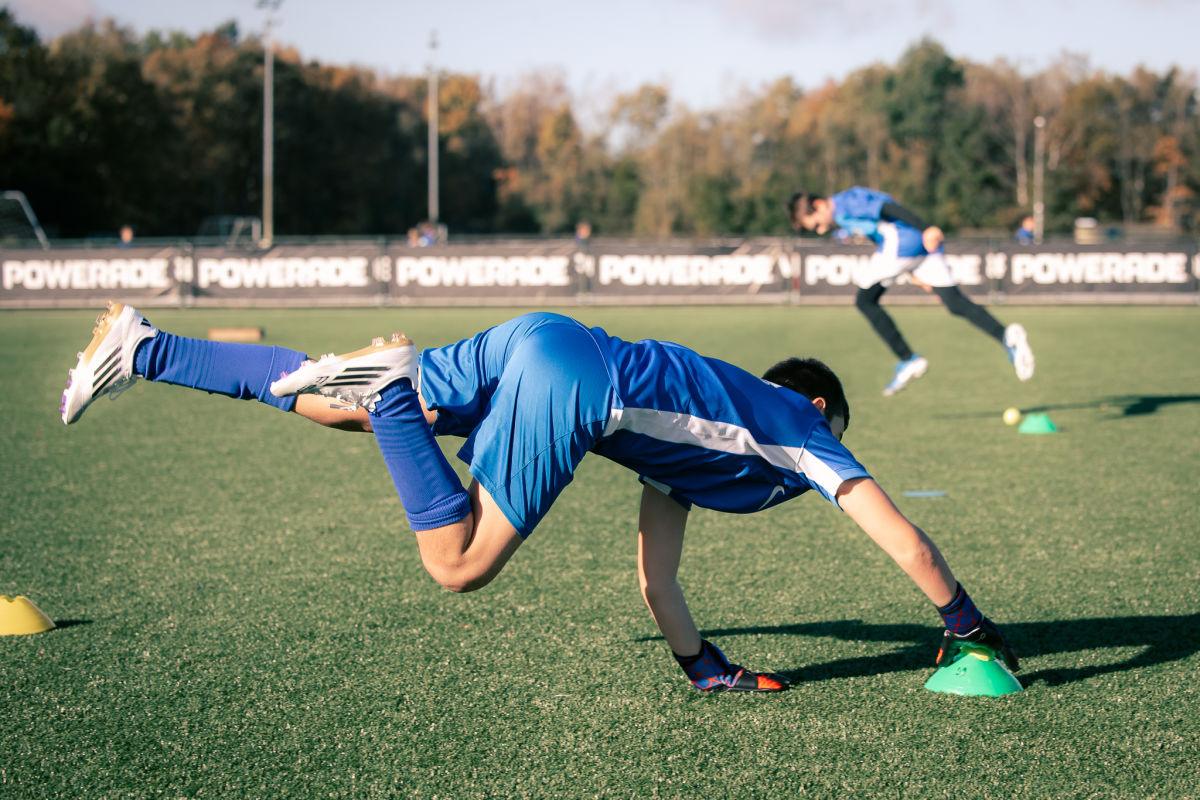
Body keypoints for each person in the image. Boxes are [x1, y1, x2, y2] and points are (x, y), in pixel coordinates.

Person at [61, 302, 1019, 692]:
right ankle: (389, 389)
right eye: (838, 428)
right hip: (580, 385)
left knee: (332, 407)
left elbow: (657, 582)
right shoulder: (797, 427)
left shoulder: (704, 443)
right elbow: (904, 539)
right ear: (817, 407)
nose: (835, 450)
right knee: (458, 562)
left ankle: (145, 347)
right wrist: (967, 625)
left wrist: (704, 668)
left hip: (546, 339)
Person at [788, 188, 1035, 396]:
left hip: (905, 240)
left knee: (865, 301)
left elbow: (888, 209)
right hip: (915, 246)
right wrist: (912, 269)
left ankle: (908, 359)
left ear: (818, 205)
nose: (821, 230)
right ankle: (1008, 337)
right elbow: (879, 229)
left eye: (817, 224)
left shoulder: (845, 204)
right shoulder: (845, 207)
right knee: (954, 302)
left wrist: (927, 228)